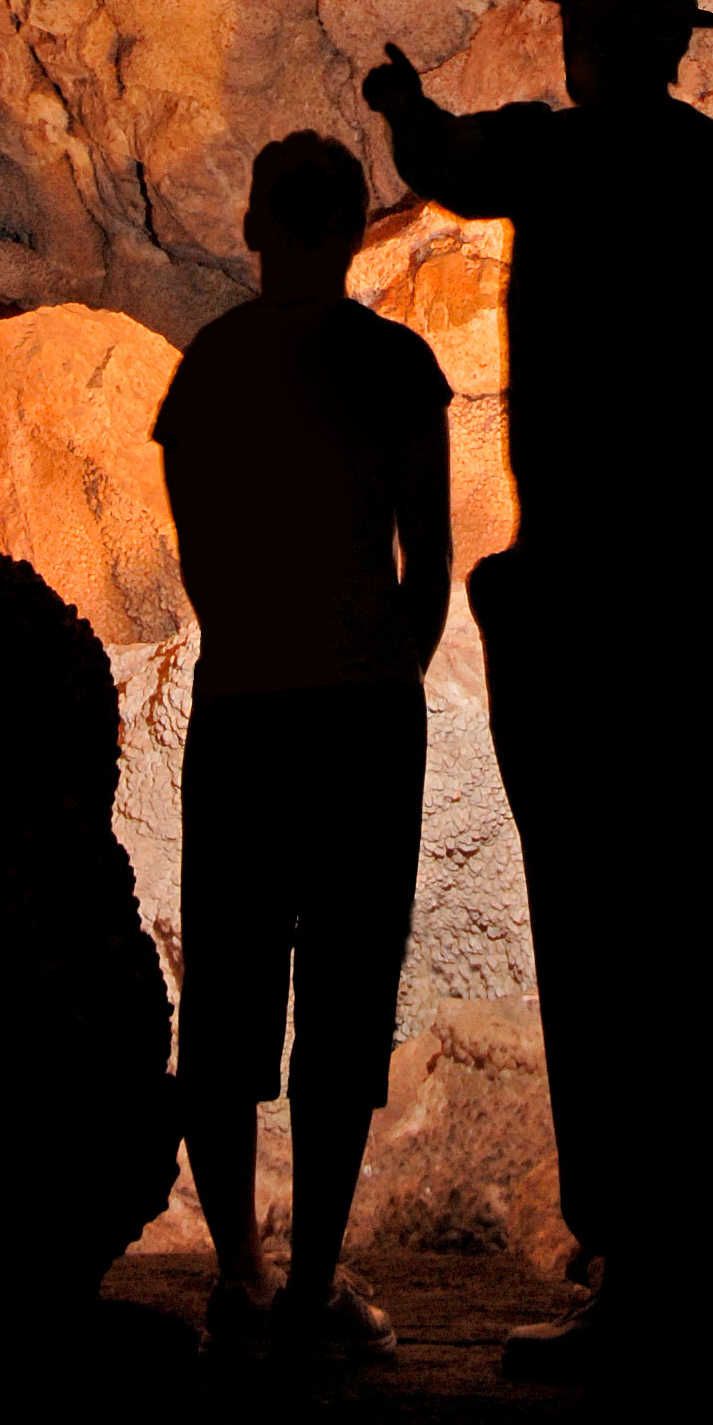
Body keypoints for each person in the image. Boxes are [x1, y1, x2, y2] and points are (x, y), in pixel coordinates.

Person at [362, 0, 713, 1376]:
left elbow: (441, 160)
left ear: (586, 33)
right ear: (677, 39)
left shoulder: (549, 161)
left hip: (578, 596)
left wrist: (396, 105)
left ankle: (637, 1261)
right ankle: (702, 1239)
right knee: (702, 912)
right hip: (698, 588)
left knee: (594, 918)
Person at [154, 128, 452, 1359]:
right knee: (343, 998)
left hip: (245, 706)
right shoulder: (396, 364)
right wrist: (392, 668)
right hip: (362, 713)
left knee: (226, 996)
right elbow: (429, 554)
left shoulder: (212, 365)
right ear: (351, 231)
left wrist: (252, 645)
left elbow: (200, 552)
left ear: (253, 227)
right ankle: (318, 1288)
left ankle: (240, 1277)